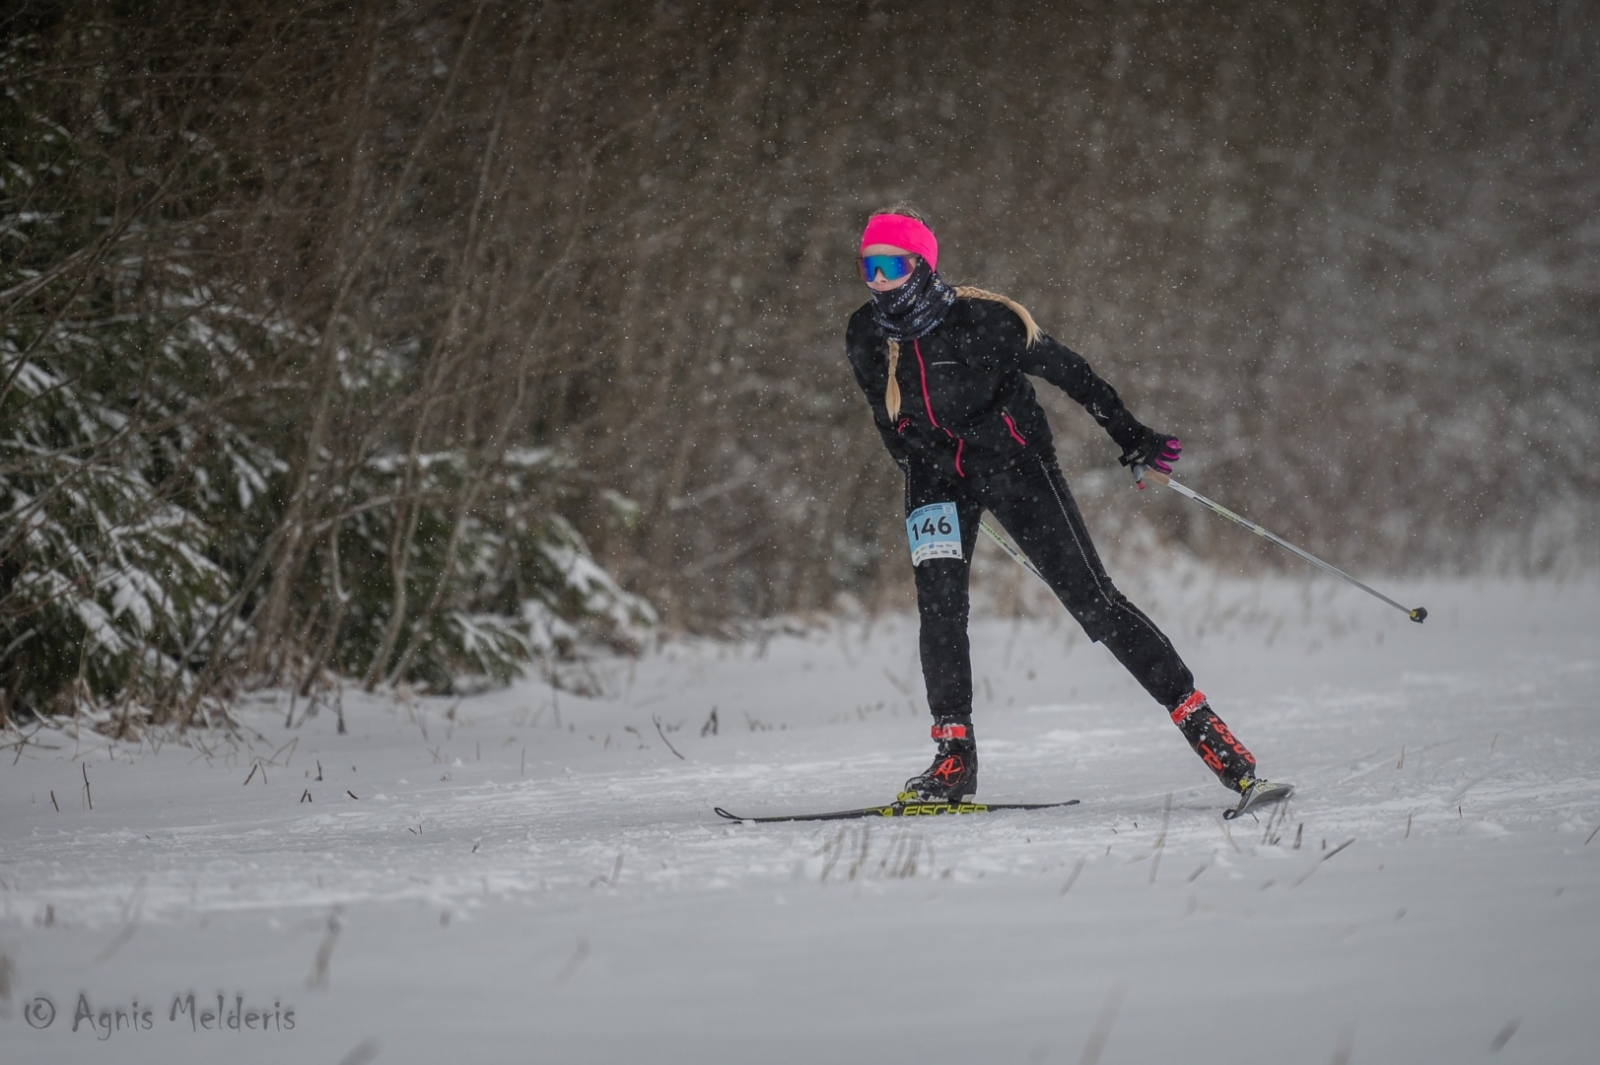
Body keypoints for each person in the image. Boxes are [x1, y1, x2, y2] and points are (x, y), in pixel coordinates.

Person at [844, 206, 1291, 815]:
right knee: (940, 611)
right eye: (868, 266)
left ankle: (1215, 742)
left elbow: (1071, 372)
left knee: (1095, 606)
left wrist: (1129, 433)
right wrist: (922, 466)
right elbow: (886, 417)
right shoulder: (865, 334)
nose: (876, 280)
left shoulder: (986, 320)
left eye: (889, 265)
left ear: (922, 265)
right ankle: (954, 761)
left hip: (1017, 469)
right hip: (935, 479)